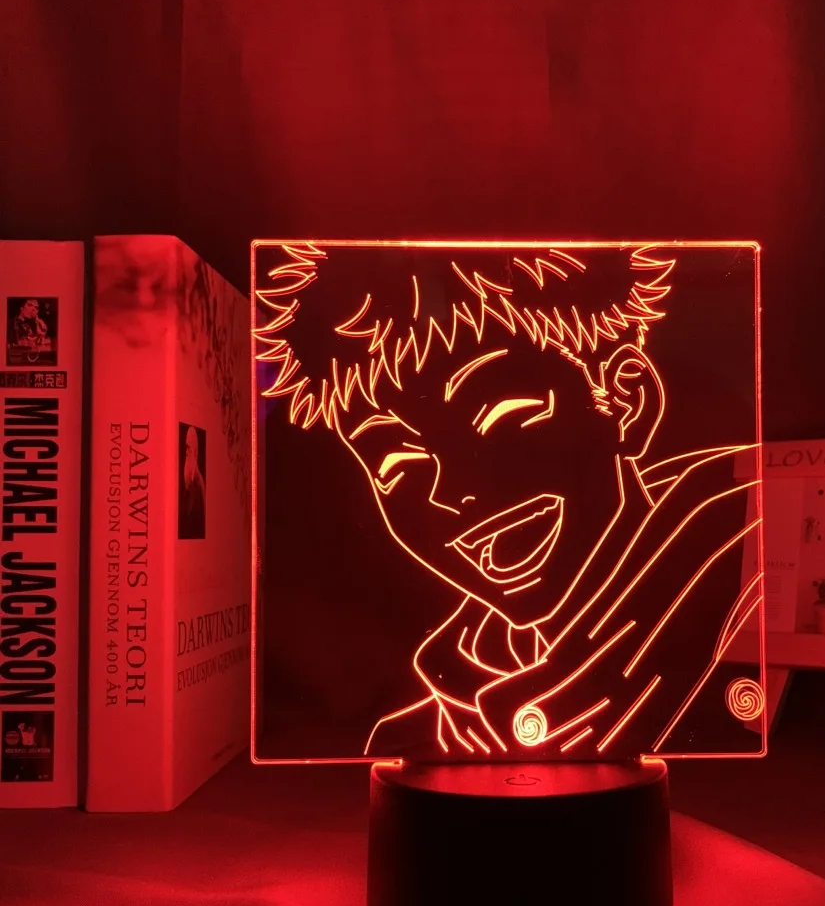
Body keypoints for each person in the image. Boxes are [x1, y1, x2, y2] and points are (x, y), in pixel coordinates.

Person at [256, 243, 762, 759]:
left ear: (626, 401)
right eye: (396, 462)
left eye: (503, 416)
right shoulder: (416, 733)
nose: (451, 493)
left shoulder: (755, 595)